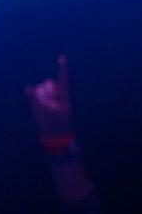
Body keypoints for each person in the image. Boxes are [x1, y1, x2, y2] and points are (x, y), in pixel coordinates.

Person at [25, 55, 101, 213]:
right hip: (74, 197)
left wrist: (63, 67)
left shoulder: (59, 111)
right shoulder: (46, 111)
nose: (47, 84)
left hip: (81, 197)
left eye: (49, 85)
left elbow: (63, 87)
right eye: (45, 85)